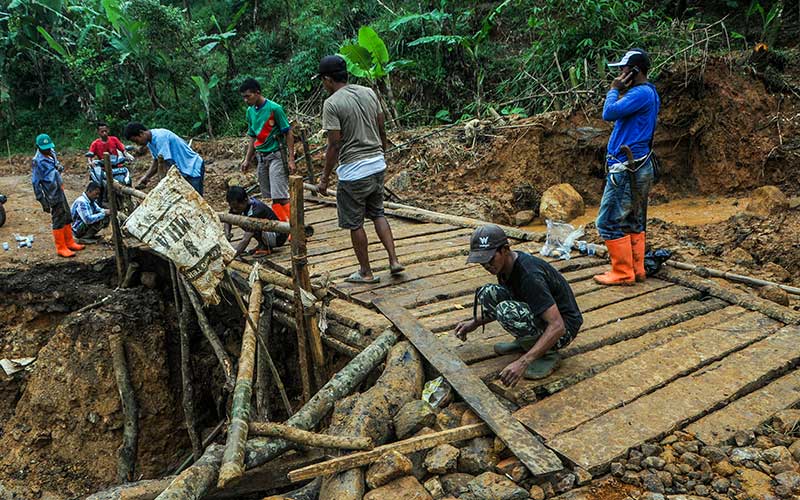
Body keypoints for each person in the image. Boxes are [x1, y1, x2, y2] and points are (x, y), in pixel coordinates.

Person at [455, 225, 583, 386]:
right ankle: (526, 341)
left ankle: (548, 355)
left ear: (505, 250)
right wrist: (474, 323)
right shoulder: (504, 267)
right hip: (541, 315)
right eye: (482, 261)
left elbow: (557, 326)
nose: (486, 265)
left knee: (506, 311)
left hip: (564, 329)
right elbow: (515, 299)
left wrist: (523, 362)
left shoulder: (529, 275)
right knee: (488, 292)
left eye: (490, 259)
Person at [315, 55, 403, 284]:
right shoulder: (368, 92)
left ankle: (366, 272)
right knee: (378, 213)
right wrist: (381, 153)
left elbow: (334, 144)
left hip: (354, 171)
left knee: (355, 223)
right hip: (376, 164)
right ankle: (394, 260)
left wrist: (324, 179)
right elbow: (381, 127)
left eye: (322, 81)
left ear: (327, 79)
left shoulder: (332, 104)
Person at [594, 48, 661, 286]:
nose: (621, 73)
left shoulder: (639, 94)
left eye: (624, 69)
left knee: (608, 221)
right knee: (633, 219)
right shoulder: (649, 93)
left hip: (626, 167)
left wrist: (614, 89)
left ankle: (622, 272)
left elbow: (608, 112)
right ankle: (636, 268)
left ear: (634, 70)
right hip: (639, 164)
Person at [238, 78, 295, 222]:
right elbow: (252, 137)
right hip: (261, 157)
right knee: (270, 196)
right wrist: (247, 159)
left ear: (257, 93)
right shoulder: (250, 112)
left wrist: (291, 159)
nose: (245, 100)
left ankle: (296, 227)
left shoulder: (274, 109)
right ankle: (285, 227)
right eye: (243, 97)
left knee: (280, 196)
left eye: (248, 96)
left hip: (275, 155)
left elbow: (288, 133)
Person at [31, 133, 85, 257]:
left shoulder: (52, 152)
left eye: (49, 147)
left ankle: (69, 242)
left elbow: (56, 165)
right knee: (58, 217)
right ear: (38, 147)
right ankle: (61, 247)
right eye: (45, 148)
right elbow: (35, 182)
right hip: (51, 193)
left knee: (67, 215)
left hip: (59, 188)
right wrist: (42, 200)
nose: (48, 150)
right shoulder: (37, 161)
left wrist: (58, 167)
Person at [124, 123, 205, 195]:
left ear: (141, 133)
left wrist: (164, 183)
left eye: (136, 140)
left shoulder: (160, 138)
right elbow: (157, 161)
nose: (137, 144)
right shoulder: (150, 142)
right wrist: (146, 177)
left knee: (195, 200)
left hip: (192, 167)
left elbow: (165, 162)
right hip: (184, 169)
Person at [224, 185, 288, 257]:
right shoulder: (242, 204)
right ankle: (262, 244)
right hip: (267, 234)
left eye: (236, 207)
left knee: (249, 225)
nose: (234, 210)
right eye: (232, 207)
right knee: (242, 221)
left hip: (278, 238)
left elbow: (246, 238)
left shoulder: (256, 211)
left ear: (245, 200)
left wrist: (233, 254)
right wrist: (227, 234)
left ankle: (266, 247)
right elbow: (228, 219)